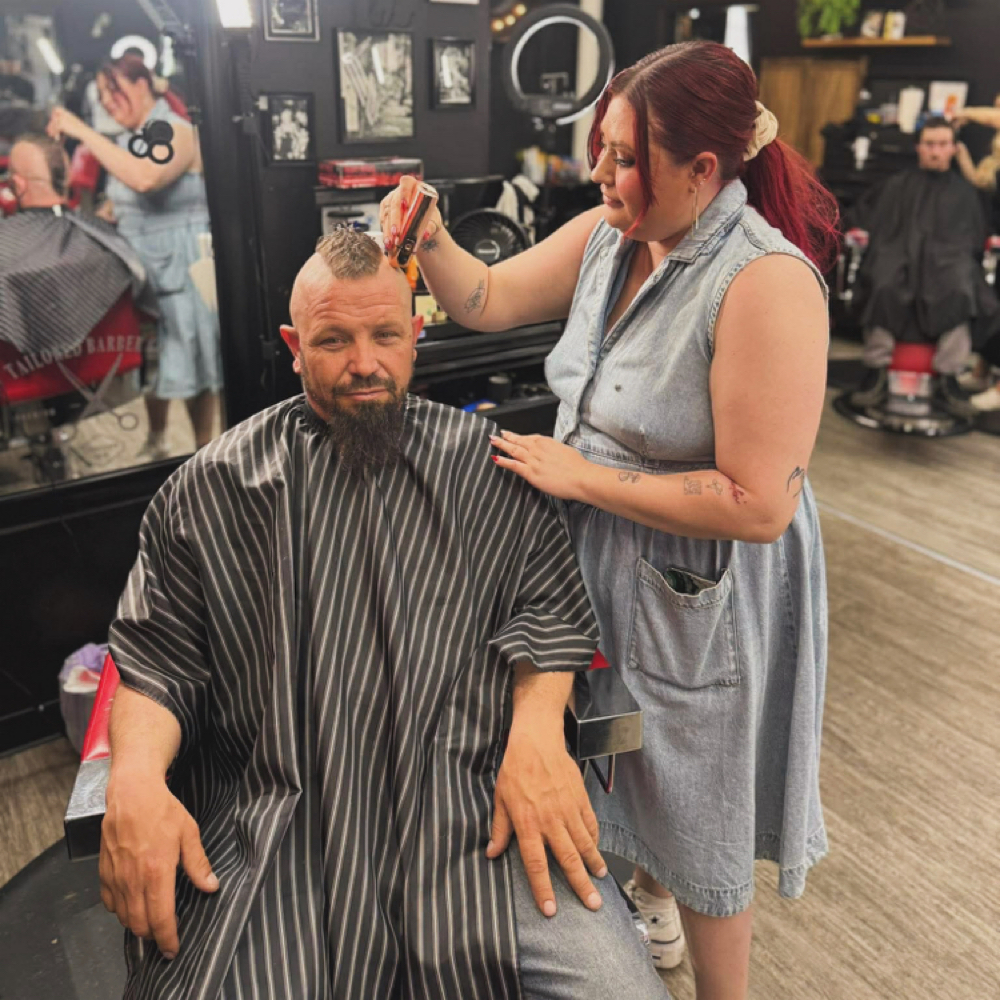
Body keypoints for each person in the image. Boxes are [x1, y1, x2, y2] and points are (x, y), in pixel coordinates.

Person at [100, 227, 671, 1000]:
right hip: (282, 834)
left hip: (470, 823)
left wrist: (538, 733)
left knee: (622, 991)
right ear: (293, 345)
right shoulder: (211, 491)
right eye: (334, 340)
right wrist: (134, 779)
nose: (364, 363)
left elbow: (551, 615)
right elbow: (154, 660)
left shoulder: (487, 467)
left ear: (416, 335)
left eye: (385, 335)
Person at [381, 40, 835, 1000]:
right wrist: (427, 238)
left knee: (697, 788)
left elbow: (758, 505)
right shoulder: (607, 237)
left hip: (701, 580)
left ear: (702, 170)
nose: (600, 172)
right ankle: (646, 893)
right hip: (601, 546)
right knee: (619, 742)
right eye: (602, 149)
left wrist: (582, 477)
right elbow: (488, 298)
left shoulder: (765, 285)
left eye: (624, 157)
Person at [46, 54, 221, 458]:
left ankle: (205, 453)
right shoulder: (130, 141)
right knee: (156, 367)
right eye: (102, 95)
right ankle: (158, 443)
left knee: (195, 364)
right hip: (144, 272)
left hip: (183, 267)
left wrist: (82, 131)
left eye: (113, 91)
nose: (107, 102)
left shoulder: (177, 132)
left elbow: (144, 178)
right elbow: (121, 204)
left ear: (141, 84)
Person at [848, 116, 998, 414]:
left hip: (949, 263)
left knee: (960, 288)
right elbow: (861, 217)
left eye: (942, 144)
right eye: (929, 144)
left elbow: (977, 236)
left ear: (953, 149)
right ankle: (876, 374)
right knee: (883, 281)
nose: (935, 151)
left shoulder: (967, 193)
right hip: (898, 256)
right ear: (918, 147)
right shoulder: (895, 186)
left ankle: (948, 377)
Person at [0, 133, 154, 359]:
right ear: (69, 176)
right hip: (101, 366)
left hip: (27, 377)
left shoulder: (8, 243)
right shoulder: (106, 238)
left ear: (18, 185)